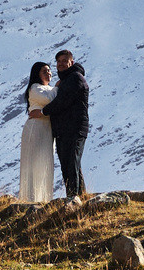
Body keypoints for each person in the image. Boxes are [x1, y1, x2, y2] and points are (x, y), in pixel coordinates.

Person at [39, 47, 90, 199]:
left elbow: (63, 102)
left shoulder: (75, 78)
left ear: (71, 62)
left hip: (74, 128)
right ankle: (78, 197)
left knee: (71, 163)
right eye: (58, 61)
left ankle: (73, 198)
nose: (60, 64)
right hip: (63, 130)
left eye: (64, 61)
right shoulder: (65, 80)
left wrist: (42, 111)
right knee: (69, 164)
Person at [16, 60, 58, 203]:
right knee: (34, 163)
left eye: (49, 70)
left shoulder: (49, 88)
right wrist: (59, 88)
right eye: (44, 71)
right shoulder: (35, 88)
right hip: (36, 129)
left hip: (46, 130)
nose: (48, 73)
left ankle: (44, 199)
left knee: (45, 162)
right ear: (37, 74)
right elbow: (51, 99)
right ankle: (31, 199)